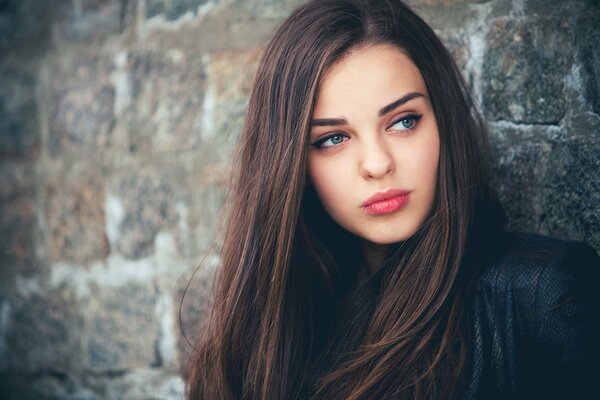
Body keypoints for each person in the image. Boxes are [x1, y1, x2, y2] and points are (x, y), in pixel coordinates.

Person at [186, 0, 599, 399]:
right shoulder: (280, 328)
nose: (378, 164)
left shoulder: (544, 294)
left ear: (443, 122)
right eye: (333, 139)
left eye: (403, 121)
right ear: (293, 165)